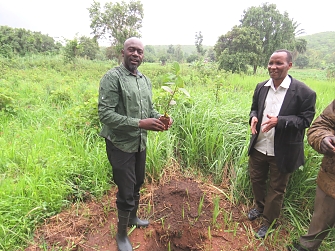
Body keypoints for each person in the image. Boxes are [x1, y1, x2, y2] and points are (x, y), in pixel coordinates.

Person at [98, 37, 172, 251]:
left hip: (140, 143)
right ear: (123, 52)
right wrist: (140, 123)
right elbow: (105, 115)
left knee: (138, 182)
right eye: (132, 50)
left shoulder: (144, 80)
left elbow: (149, 110)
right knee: (126, 190)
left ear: (143, 56)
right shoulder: (112, 78)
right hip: (120, 145)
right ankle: (121, 235)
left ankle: (133, 218)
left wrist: (161, 118)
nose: (136, 54)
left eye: (140, 51)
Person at [247, 49, 317, 239]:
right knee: (256, 180)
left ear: (289, 65)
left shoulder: (305, 92)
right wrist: (253, 118)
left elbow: (305, 120)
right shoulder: (261, 87)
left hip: (283, 151)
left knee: (277, 189)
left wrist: (280, 121)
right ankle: (260, 208)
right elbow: (254, 109)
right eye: (271, 63)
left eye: (279, 63)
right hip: (260, 145)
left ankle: (269, 222)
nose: (273, 67)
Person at [288, 100, 335, 251]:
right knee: (318, 224)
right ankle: (305, 247)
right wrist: (323, 139)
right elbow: (322, 124)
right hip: (331, 179)